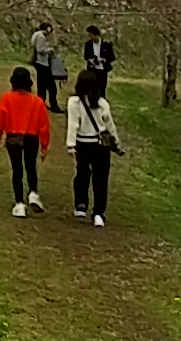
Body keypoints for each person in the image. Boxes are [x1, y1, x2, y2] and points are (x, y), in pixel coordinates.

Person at [0, 65, 51, 219]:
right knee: (31, 166)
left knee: (17, 170)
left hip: (13, 136)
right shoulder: (37, 101)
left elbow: (0, 118)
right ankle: (33, 193)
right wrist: (44, 145)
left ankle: (19, 204)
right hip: (31, 137)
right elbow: (43, 125)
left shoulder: (7, 98)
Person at [67, 67, 120, 227]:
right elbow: (109, 126)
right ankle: (99, 213)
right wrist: (116, 143)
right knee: (101, 178)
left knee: (82, 173)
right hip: (101, 146)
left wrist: (70, 144)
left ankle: (81, 204)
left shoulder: (74, 103)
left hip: (83, 143)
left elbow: (73, 125)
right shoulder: (102, 103)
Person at [30, 19, 63, 113]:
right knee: (51, 86)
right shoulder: (41, 37)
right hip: (43, 63)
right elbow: (40, 49)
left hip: (38, 62)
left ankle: (41, 104)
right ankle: (54, 105)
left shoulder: (35, 35)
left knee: (41, 85)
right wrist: (49, 50)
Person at [83, 25, 117, 98]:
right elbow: (86, 56)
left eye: (90, 35)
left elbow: (112, 57)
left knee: (102, 89)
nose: (90, 38)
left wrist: (102, 59)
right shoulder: (88, 44)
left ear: (96, 35)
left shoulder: (106, 44)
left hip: (102, 70)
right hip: (92, 70)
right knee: (91, 88)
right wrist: (91, 60)